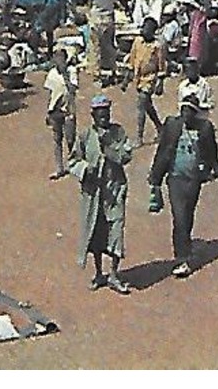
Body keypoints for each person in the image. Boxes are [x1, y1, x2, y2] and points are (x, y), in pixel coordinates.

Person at [148, 85, 218, 278]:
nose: (186, 114)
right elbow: (162, 151)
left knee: (188, 215)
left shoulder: (205, 129)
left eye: (190, 111)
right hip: (175, 178)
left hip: (194, 180)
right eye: (184, 110)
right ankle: (181, 258)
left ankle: (185, 245)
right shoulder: (172, 126)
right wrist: (155, 177)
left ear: (196, 113)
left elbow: (212, 152)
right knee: (179, 216)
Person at [71, 94, 134, 294]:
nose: (104, 118)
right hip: (93, 194)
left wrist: (110, 147)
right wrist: (84, 169)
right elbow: (73, 161)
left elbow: (126, 155)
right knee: (96, 233)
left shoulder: (118, 133)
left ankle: (114, 275)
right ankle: (99, 273)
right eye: (100, 114)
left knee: (116, 231)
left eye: (106, 113)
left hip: (114, 191)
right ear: (93, 115)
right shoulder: (85, 136)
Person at [124, 18, 166, 145]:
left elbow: (162, 65)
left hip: (150, 79)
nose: (143, 30)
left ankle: (139, 137)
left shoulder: (157, 46)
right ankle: (160, 127)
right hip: (139, 78)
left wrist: (160, 82)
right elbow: (132, 60)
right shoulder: (137, 41)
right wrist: (126, 79)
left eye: (147, 29)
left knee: (141, 104)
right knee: (148, 106)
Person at [44, 43, 80, 180]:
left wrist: (65, 75)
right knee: (57, 139)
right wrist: (48, 111)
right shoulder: (52, 74)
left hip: (68, 110)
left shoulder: (72, 72)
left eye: (61, 58)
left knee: (70, 139)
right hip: (55, 110)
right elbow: (50, 94)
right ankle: (59, 168)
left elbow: (73, 89)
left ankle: (73, 164)